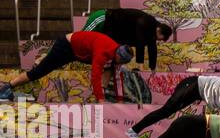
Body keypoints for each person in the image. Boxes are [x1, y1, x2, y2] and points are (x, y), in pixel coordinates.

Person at [0, 31, 132, 102]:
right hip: (66, 46)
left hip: (83, 53)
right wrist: (101, 100)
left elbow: (117, 77)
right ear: (118, 55)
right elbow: (95, 76)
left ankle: (101, 99)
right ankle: (7, 87)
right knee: (38, 72)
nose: (120, 64)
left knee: (110, 69)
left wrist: (120, 101)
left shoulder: (116, 55)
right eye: (120, 62)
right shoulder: (102, 53)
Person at [129, 75, 220, 138]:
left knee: (166, 112)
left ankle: (134, 130)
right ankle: (133, 130)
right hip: (192, 86)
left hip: (196, 91)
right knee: (165, 111)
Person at [82, 8, 173, 70]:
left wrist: (152, 68)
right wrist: (140, 64)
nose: (159, 41)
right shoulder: (146, 22)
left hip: (111, 32)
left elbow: (152, 49)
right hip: (103, 18)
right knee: (82, 39)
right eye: (161, 39)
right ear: (159, 30)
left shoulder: (151, 32)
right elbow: (139, 41)